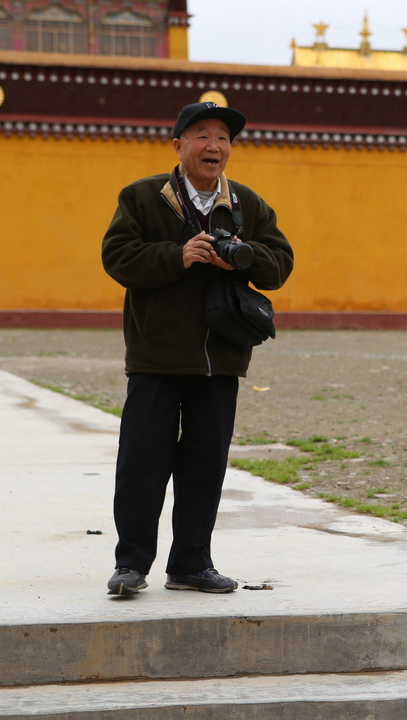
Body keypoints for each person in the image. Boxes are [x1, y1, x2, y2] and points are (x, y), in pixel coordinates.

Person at [101, 102, 293, 595]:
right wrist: (177, 255)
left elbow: (281, 262)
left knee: (205, 466)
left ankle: (190, 563)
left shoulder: (247, 203)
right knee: (142, 463)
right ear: (179, 145)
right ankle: (132, 564)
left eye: (223, 138)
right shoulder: (143, 197)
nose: (214, 146)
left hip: (221, 357)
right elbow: (117, 256)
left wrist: (242, 262)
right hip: (156, 356)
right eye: (202, 135)